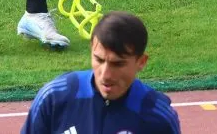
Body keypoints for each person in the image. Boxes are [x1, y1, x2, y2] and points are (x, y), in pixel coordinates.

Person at [22, 11, 181, 133]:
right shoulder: (55, 97)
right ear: (92, 50)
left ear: (141, 62)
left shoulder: (157, 117)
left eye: (118, 64)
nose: (105, 75)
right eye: (99, 60)